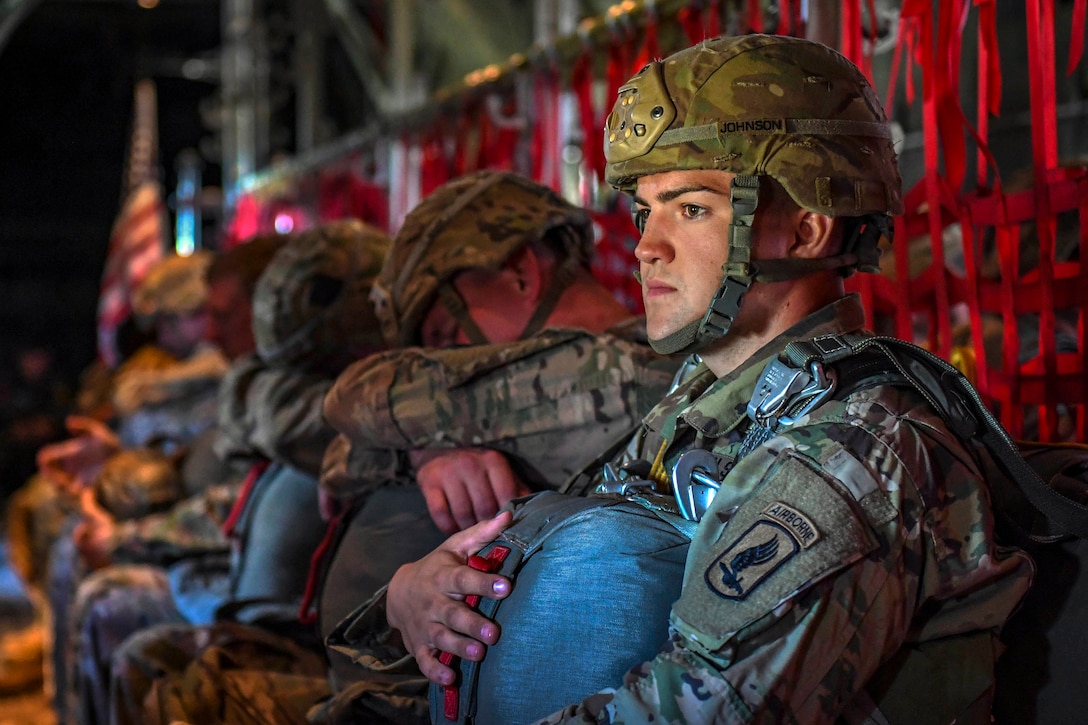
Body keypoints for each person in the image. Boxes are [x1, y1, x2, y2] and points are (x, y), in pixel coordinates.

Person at [381, 34, 1035, 723]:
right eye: (645, 210)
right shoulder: (703, 404)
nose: (645, 246)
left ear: (807, 232)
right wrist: (407, 593)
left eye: (690, 209)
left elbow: (699, 710)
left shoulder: (855, 451)